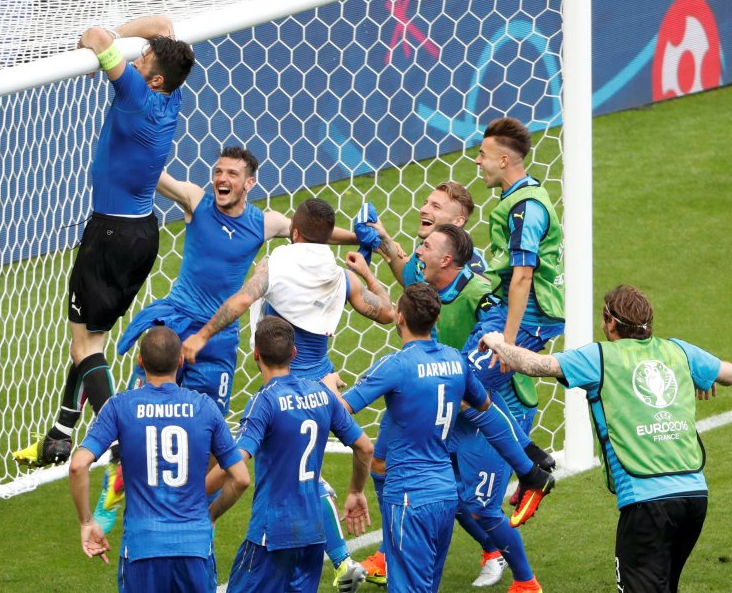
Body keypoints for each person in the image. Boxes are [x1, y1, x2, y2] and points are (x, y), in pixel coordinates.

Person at [97, 146, 364, 532]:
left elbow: (311, 233)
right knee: (141, 408)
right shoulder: (196, 200)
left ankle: (187, 513)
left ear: (249, 183)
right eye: (218, 171)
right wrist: (129, 140)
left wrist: (360, 236)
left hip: (219, 340)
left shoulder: (264, 222)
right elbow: (156, 175)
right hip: (175, 321)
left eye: (232, 174)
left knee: (208, 437)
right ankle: (117, 481)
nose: (222, 179)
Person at [183, 197, 395, 591]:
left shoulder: (277, 263)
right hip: (323, 386)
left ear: (295, 232)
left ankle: (197, 518)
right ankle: (338, 558)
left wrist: (202, 334)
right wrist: (368, 273)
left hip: (282, 388)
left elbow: (242, 300)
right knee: (306, 473)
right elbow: (385, 311)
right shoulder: (339, 275)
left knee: (275, 475)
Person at [14, 15, 196, 467]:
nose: (135, 60)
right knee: (91, 336)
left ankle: (119, 439)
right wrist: (129, 43)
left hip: (109, 236)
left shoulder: (137, 96)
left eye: (143, 59)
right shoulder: (170, 94)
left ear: (154, 77)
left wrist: (105, 43)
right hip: (142, 235)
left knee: (84, 347)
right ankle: (60, 432)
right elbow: (164, 23)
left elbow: (94, 38)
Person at [479, 285, 732, 593]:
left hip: (647, 501)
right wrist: (702, 378)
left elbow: (538, 365)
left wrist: (499, 342)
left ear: (612, 323)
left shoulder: (599, 357)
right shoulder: (678, 351)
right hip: (694, 497)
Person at [337, 284, 555, 593]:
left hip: (409, 496)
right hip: (444, 498)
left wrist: (331, 393)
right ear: (436, 320)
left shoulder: (396, 365)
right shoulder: (456, 362)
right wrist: (527, 468)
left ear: (399, 319)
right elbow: (489, 415)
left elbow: (339, 412)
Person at [68, 325, 250, 593]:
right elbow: (241, 479)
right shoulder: (205, 407)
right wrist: (209, 516)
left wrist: (87, 522)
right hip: (195, 548)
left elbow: (78, 465)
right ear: (180, 361)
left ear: (140, 362)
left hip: (142, 548)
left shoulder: (120, 406)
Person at [207, 316, 374, 592]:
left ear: (255, 354)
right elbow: (365, 447)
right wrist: (356, 490)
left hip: (270, 534)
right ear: (294, 353)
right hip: (313, 536)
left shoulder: (264, 401)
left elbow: (235, 463)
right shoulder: (322, 394)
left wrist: (197, 501)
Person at [470, 117, 565, 376]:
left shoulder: (527, 207)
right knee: (463, 383)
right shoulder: (518, 197)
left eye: (482, 155)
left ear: (503, 161)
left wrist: (507, 344)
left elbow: (523, 276)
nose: (477, 161)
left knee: (466, 388)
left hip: (529, 319)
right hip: (507, 310)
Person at [371, 181, 487, 288]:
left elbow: (489, 299)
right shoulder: (423, 250)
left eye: (436, 207)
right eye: (425, 203)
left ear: (457, 221)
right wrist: (385, 242)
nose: (423, 209)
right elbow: (410, 280)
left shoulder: (470, 262)